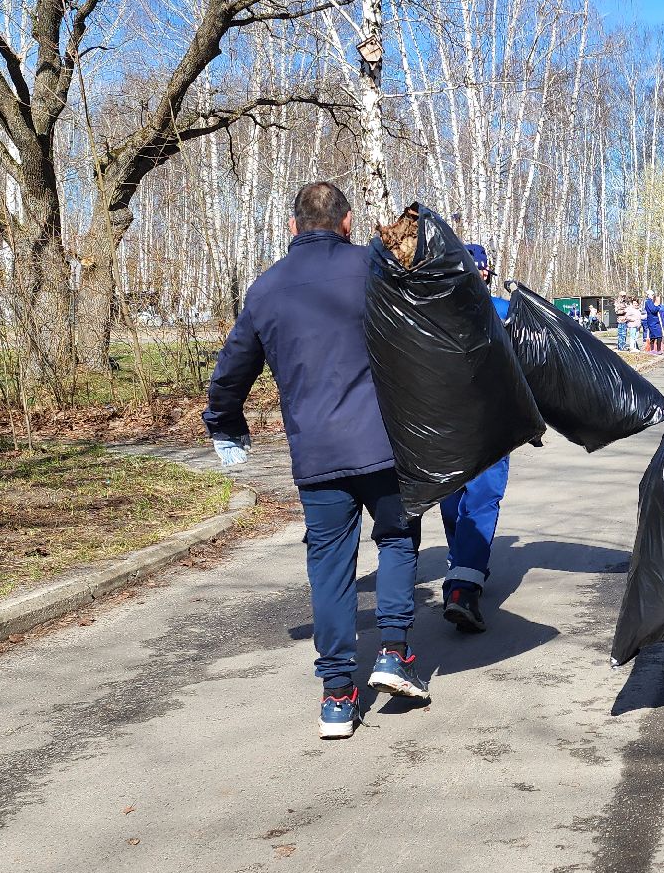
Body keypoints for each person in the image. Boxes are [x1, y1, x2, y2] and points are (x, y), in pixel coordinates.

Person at [205, 182, 425, 741]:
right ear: (347, 223)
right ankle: (394, 655)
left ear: (293, 227)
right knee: (397, 540)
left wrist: (226, 425)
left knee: (329, 564)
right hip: (385, 443)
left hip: (317, 452)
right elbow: (427, 336)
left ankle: (335, 696)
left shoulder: (267, 289)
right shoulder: (374, 268)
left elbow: (233, 368)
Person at [436, 243, 510, 634]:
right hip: (489, 423)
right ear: (485, 272)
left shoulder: (431, 308)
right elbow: (526, 367)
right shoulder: (504, 311)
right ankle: (464, 587)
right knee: (481, 500)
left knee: (452, 497)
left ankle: (461, 565)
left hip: (443, 425)